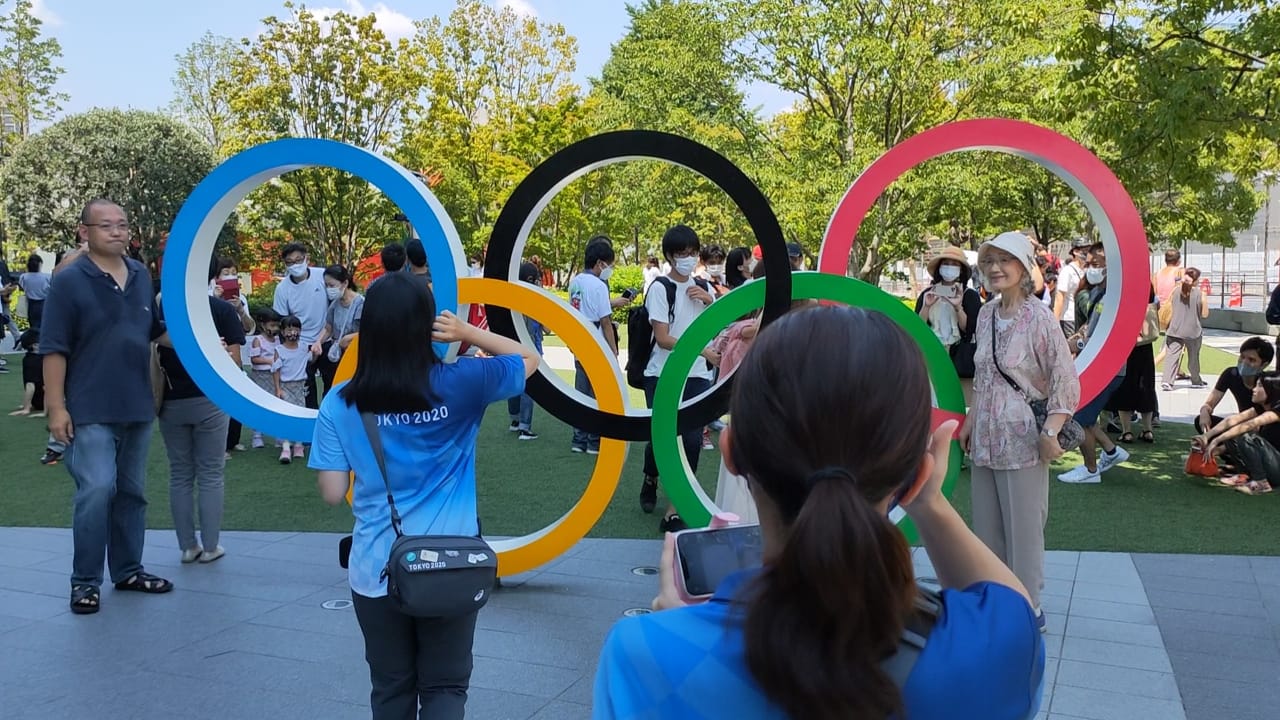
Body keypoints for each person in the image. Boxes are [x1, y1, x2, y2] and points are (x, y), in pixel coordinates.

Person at [595, 306, 1045, 720]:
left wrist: (678, 638)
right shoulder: (993, 650)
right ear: (916, 475)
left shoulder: (640, 656)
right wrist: (929, 502)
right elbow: (1012, 605)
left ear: (731, 454)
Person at [309, 272, 538, 719]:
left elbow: (333, 492)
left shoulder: (339, 402)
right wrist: (468, 331)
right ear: (428, 325)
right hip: (452, 564)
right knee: (446, 686)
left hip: (376, 567)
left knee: (391, 687)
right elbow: (528, 358)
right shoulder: (465, 381)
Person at [41, 199, 174, 615]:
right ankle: (85, 582)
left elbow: (152, 331)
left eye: (122, 224)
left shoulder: (139, 274)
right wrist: (56, 407)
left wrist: (206, 345)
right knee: (97, 490)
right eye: (106, 225)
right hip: (89, 406)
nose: (117, 231)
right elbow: (53, 348)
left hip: (137, 403)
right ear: (84, 232)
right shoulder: (69, 280)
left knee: (132, 493)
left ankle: (128, 570)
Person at [964, 231, 1080, 630]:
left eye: (1005, 260)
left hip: (1023, 437)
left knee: (1024, 528)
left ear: (1023, 266)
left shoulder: (1039, 318)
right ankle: (996, 600)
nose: (996, 268)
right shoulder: (986, 314)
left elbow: (1064, 377)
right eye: (989, 261)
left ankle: (1028, 607)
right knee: (987, 526)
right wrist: (970, 419)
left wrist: (1051, 431)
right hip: (985, 434)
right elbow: (983, 375)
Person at [157, 259, 246, 565]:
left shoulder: (163, 310)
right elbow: (235, 360)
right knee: (210, 474)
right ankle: (210, 546)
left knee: (180, 474)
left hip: (169, 400)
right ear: (212, 276)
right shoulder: (220, 310)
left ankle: (187, 546)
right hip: (210, 400)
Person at [640, 225, 719, 533]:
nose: (688, 258)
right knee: (661, 437)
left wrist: (710, 301)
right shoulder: (660, 288)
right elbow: (662, 339)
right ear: (670, 256)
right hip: (663, 373)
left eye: (692, 252)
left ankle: (674, 509)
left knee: (691, 439)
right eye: (681, 253)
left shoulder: (704, 286)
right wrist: (702, 350)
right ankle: (651, 477)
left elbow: (718, 326)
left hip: (697, 374)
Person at [1059, 241, 1131, 484]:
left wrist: (1077, 345)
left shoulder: (1118, 296)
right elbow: (1090, 329)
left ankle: (1091, 470)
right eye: (1088, 263)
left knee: (1080, 416)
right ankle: (1111, 451)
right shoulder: (1096, 292)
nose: (1090, 268)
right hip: (1096, 363)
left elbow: (1112, 336)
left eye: (1096, 264)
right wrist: (1078, 341)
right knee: (1084, 415)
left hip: (1110, 368)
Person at [567, 239, 622, 454]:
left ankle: (578, 439)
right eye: (609, 264)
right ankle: (593, 440)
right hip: (596, 340)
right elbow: (606, 321)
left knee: (581, 393)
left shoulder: (575, 282)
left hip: (580, 339)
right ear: (600, 263)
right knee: (598, 394)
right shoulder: (599, 285)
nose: (609, 269)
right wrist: (613, 351)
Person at [916, 246, 981, 407]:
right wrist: (927, 306)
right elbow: (918, 327)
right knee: (933, 401)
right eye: (946, 263)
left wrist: (958, 307)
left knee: (960, 402)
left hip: (959, 356)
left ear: (961, 270)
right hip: (932, 354)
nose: (949, 267)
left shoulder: (970, 296)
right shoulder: (927, 294)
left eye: (954, 264)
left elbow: (970, 329)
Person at [1196, 376, 1280, 495]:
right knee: (1232, 431)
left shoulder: (1277, 410)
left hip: (1277, 469)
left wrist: (1216, 441)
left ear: (1272, 390)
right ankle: (1244, 475)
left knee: (1246, 435)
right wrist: (1206, 436)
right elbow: (1233, 420)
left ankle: (1262, 483)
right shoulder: (1263, 407)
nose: (1254, 389)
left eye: (1260, 386)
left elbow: (1250, 425)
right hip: (1271, 463)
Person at [271, 242, 329, 409]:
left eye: (298, 260)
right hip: (300, 344)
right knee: (306, 389)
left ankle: (328, 419)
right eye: (289, 262)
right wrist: (289, 348)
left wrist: (322, 339)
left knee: (331, 385)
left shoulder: (322, 276)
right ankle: (308, 420)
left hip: (325, 339)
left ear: (306, 259)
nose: (295, 265)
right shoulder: (282, 289)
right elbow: (282, 321)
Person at [1106, 286, 1160, 444]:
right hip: (1145, 346)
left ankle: (1127, 431)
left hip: (1126, 346)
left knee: (1125, 387)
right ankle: (1147, 429)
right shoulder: (1149, 292)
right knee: (1146, 386)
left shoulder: (1123, 295)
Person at [1197, 336, 1275, 432]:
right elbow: (1210, 403)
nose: (1244, 362)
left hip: (1262, 428)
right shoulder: (1231, 374)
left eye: (1251, 360)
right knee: (1200, 421)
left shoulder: (1268, 383)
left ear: (1264, 365)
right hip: (1241, 426)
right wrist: (1204, 411)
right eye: (1242, 357)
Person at [507, 262, 543, 440]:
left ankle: (515, 420)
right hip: (530, 348)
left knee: (514, 382)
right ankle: (525, 426)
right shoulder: (533, 299)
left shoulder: (512, 296)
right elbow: (545, 327)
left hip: (512, 346)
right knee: (530, 387)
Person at [316, 264, 364, 393]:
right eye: (326, 286)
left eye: (332, 285)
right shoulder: (335, 304)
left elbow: (367, 331)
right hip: (336, 354)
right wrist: (318, 342)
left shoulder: (361, 304)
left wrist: (348, 339)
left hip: (354, 355)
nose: (329, 289)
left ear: (345, 283)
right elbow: (328, 328)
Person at [1161, 267, 1208, 390]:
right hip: (1193, 331)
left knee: (1172, 356)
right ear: (1196, 280)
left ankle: (1167, 381)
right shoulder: (1200, 294)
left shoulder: (1175, 290)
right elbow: (1205, 314)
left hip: (1174, 329)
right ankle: (1196, 380)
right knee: (1193, 357)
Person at [274, 315, 312, 463]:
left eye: (296, 329)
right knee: (286, 416)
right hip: (286, 386)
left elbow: (310, 360)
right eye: (289, 330)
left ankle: (298, 444)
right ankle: (285, 446)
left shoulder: (304, 347)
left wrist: (315, 353)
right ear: (283, 332)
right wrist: (278, 389)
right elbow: (276, 370)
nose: (292, 333)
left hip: (300, 386)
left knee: (300, 415)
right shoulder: (279, 350)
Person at [247, 308, 283, 449]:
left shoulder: (278, 340)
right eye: (272, 325)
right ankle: (257, 435)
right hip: (261, 377)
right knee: (260, 405)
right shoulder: (258, 340)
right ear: (263, 325)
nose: (275, 329)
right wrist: (269, 361)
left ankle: (279, 436)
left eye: (277, 325)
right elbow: (254, 359)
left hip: (275, 377)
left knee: (277, 405)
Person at [1056, 238, 1090, 335]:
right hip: (1069, 318)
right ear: (1075, 251)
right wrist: (1055, 322)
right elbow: (1059, 297)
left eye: (1089, 249)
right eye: (1085, 249)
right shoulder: (1067, 271)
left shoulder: (1086, 270)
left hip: (1081, 317)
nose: (1087, 252)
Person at [9, 328, 44, 416]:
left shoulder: (30, 360)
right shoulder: (38, 359)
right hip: (44, 400)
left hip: (42, 401)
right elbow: (30, 385)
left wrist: (26, 408)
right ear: (35, 345)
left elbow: (30, 385)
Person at [18, 254, 52, 329]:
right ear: (40, 264)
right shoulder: (47, 277)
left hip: (30, 304)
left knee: (33, 326)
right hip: (44, 303)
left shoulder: (23, 276)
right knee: (43, 326)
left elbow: (21, 288)